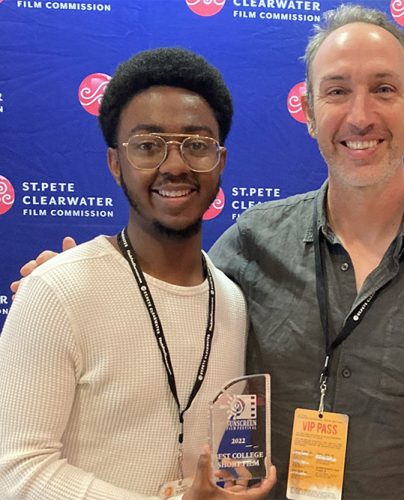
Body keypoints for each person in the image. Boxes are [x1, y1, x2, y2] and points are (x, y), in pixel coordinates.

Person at [10, 5, 404, 500]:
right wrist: (69, 280)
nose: (360, 115)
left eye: (383, 89)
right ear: (308, 112)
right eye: (336, 91)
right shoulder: (252, 242)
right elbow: (167, 294)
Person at [0, 47, 276, 499]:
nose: (174, 165)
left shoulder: (231, 301)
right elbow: (15, 473)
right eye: (148, 146)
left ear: (220, 161)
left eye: (196, 144)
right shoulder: (55, 291)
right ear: (115, 164)